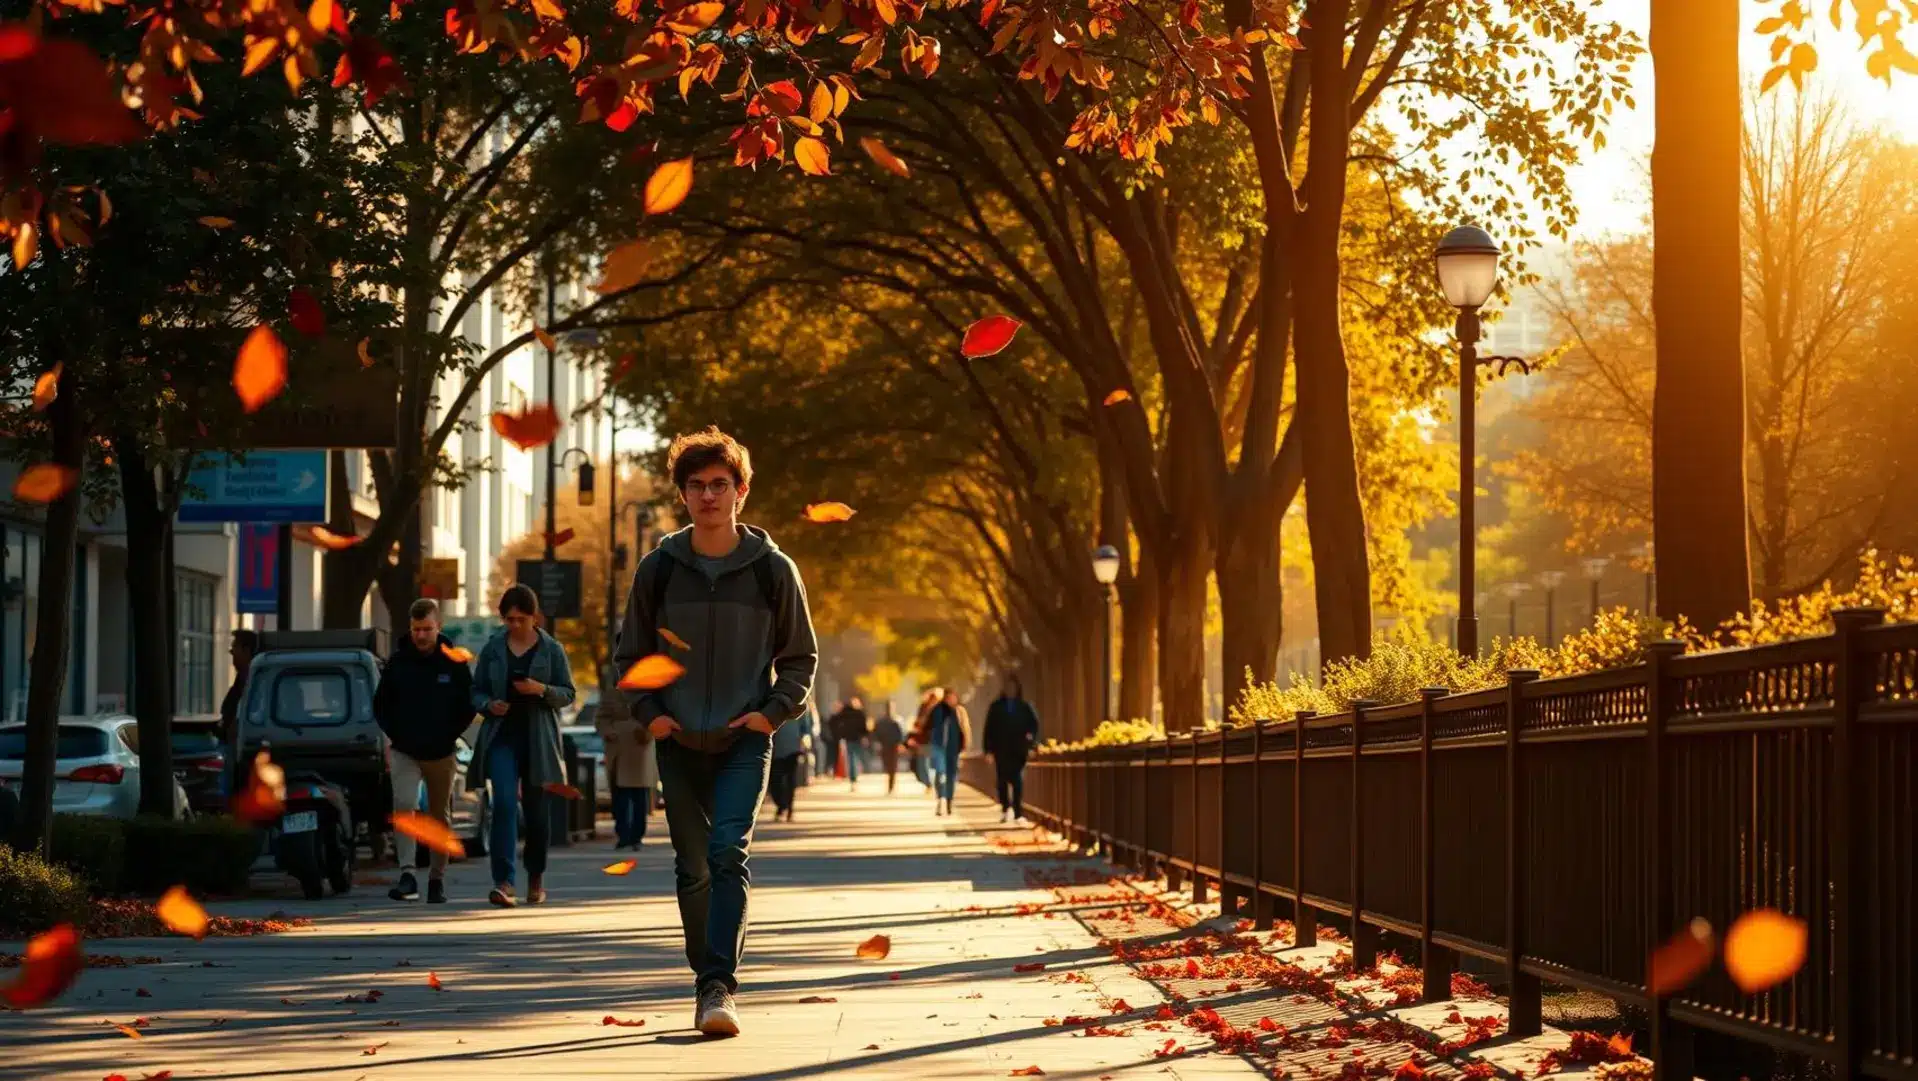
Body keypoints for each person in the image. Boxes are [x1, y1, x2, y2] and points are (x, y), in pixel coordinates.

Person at [611, 425, 818, 1038]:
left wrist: (772, 712)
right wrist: (653, 717)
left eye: (719, 485)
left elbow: (800, 656)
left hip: (744, 740)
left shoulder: (772, 571)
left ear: (741, 492)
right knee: (692, 865)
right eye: (696, 486)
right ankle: (707, 976)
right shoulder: (658, 569)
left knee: (729, 851)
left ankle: (716, 986)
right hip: (678, 741)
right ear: (683, 495)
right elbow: (630, 659)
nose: (708, 496)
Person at [467, 584, 577, 908]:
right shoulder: (493, 649)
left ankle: (536, 877)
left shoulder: (552, 650)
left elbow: (568, 694)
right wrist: (488, 704)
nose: (514, 625)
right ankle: (504, 882)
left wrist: (540, 689)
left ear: (534, 617)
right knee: (502, 803)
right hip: (502, 737)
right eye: (509, 620)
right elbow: (476, 691)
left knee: (537, 814)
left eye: (520, 619)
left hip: (538, 739)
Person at [374, 599, 475, 904]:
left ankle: (436, 879)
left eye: (427, 629)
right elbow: (381, 705)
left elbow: (468, 705)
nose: (421, 635)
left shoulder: (454, 663)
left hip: (441, 752)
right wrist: (398, 734)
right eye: (417, 629)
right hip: (406, 751)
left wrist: (449, 734)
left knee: (439, 816)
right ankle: (407, 874)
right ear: (410, 628)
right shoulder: (397, 663)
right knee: (404, 806)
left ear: (438, 627)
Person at [597, 697, 658, 850]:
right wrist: (608, 731)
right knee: (620, 796)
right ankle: (623, 835)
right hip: (618, 747)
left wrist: (648, 731)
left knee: (640, 796)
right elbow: (601, 718)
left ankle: (637, 836)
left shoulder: (648, 689)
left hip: (640, 746)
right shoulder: (612, 693)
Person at [982, 674, 1041, 823]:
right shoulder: (996, 707)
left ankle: (1018, 812)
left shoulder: (1024, 707)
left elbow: (1034, 726)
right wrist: (988, 750)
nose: (1011, 690)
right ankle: (1005, 807)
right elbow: (988, 729)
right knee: (1001, 780)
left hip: (1018, 749)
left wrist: (1032, 743)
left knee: (1017, 781)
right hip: (1000, 749)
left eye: (1013, 687)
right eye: (1008, 687)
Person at [925, 687, 970, 816]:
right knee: (940, 773)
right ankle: (941, 798)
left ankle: (949, 800)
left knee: (951, 775)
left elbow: (965, 728)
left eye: (953, 697)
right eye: (949, 697)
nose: (951, 700)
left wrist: (965, 744)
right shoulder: (937, 710)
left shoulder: (959, 711)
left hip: (953, 749)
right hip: (938, 747)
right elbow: (927, 726)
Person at [219, 629, 259, 745]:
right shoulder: (240, 682)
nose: (231, 652)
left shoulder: (256, 684)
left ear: (246, 651)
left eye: (235, 647)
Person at [768, 705, 805, 821]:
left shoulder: (802, 703)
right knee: (775, 780)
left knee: (790, 779)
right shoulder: (773, 698)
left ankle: (789, 809)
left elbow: (805, 728)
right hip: (776, 747)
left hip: (793, 748)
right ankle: (782, 805)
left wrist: (803, 744)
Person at [828, 697, 869, 786]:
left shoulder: (845, 713)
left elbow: (834, 721)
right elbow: (864, 727)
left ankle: (853, 776)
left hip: (851, 739)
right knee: (854, 757)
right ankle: (854, 776)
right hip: (855, 739)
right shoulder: (859, 713)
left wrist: (841, 733)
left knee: (852, 758)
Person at [871, 703, 904, 794]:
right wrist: (877, 743)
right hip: (885, 745)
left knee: (892, 766)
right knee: (887, 765)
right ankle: (890, 781)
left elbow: (901, 734)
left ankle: (891, 785)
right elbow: (875, 733)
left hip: (894, 746)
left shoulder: (897, 720)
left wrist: (901, 744)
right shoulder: (881, 721)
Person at [816, 699, 843, 780]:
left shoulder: (838, 717)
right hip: (832, 740)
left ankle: (834, 771)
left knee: (835, 756)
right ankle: (830, 770)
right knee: (832, 756)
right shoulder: (832, 717)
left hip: (836, 739)